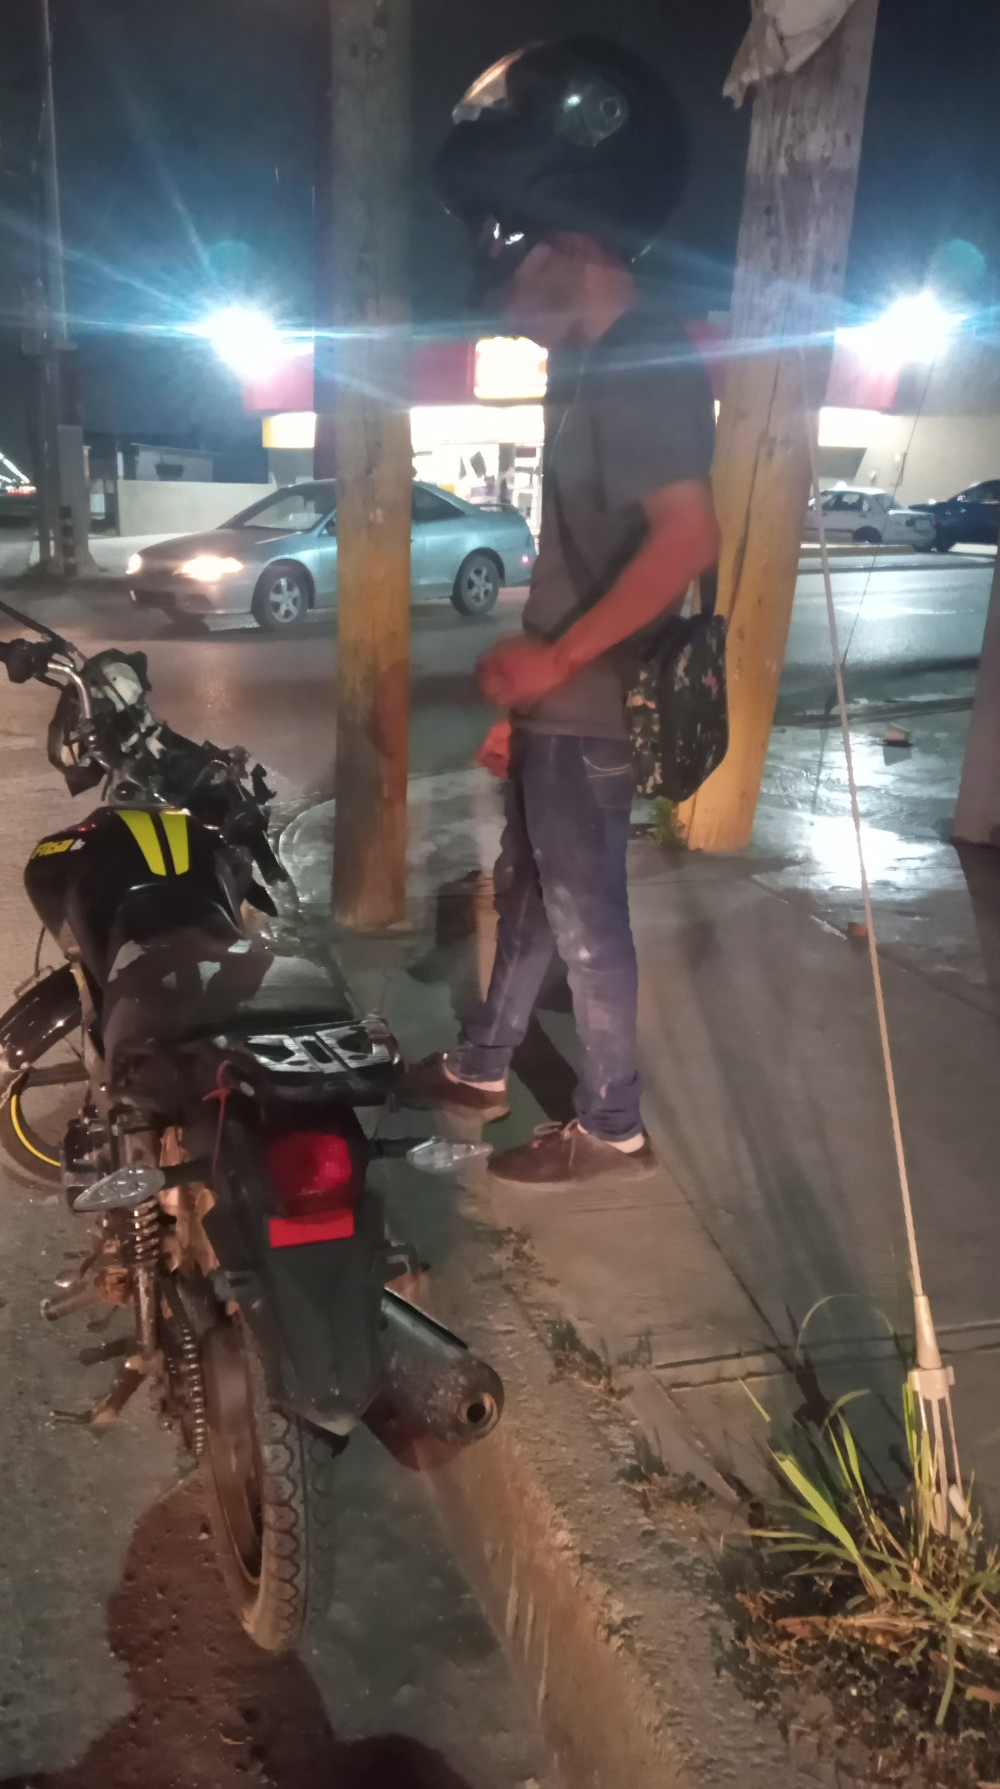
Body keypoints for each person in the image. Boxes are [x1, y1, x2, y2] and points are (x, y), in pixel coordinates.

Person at [404, 37, 719, 1185]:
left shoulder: (642, 360)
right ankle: (483, 1062)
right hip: (559, 704)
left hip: (593, 707)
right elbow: (585, 554)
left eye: (508, 266)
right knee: (529, 892)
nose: (500, 302)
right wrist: (524, 701)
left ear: (569, 244)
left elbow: (686, 539)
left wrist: (552, 667)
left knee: (586, 921)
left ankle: (609, 1123)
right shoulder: (584, 368)